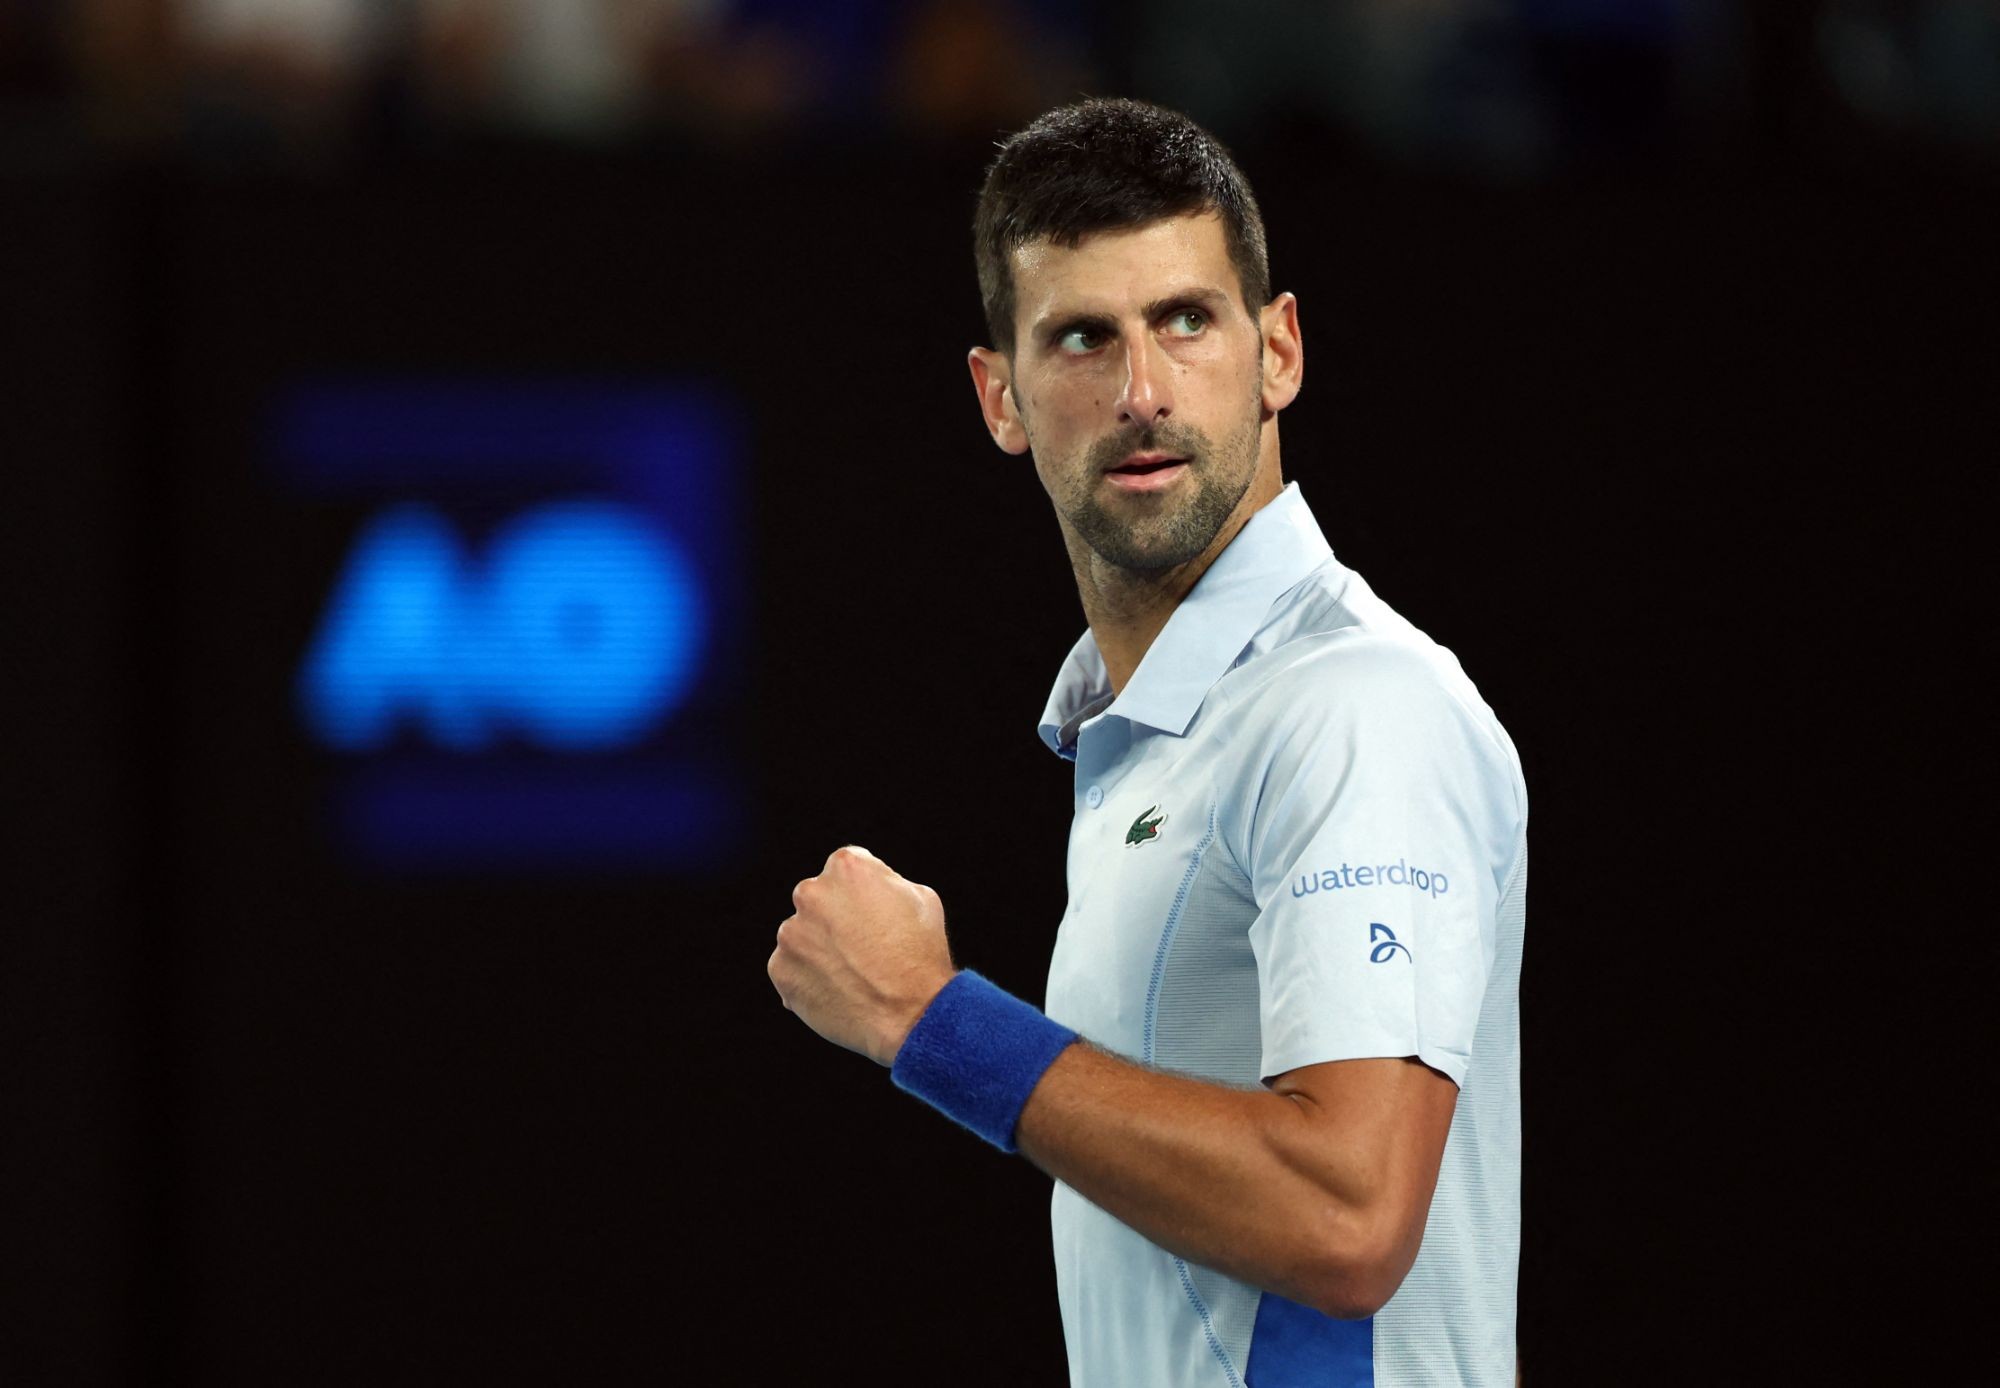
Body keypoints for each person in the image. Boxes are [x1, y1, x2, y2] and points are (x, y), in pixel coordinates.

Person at [765, 96, 1527, 1387]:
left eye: (1186, 320)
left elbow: (1346, 1220)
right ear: (1000, 397)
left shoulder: (1352, 707)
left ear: (1277, 351)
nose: (1141, 393)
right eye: (1082, 338)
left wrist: (930, 1020)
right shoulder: (1160, 730)